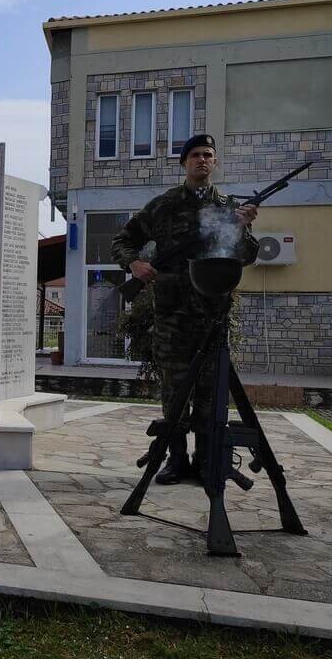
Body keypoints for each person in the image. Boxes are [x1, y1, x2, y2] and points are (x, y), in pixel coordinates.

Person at [111, 133, 259, 484]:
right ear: (184, 163)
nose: (202, 160)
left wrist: (243, 227)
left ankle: (207, 460)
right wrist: (133, 264)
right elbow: (122, 239)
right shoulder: (163, 206)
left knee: (210, 393)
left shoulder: (228, 208)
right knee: (175, 392)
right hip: (172, 313)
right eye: (195, 155)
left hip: (212, 314)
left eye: (208, 154)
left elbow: (248, 257)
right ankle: (175, 460)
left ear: (215, 162)